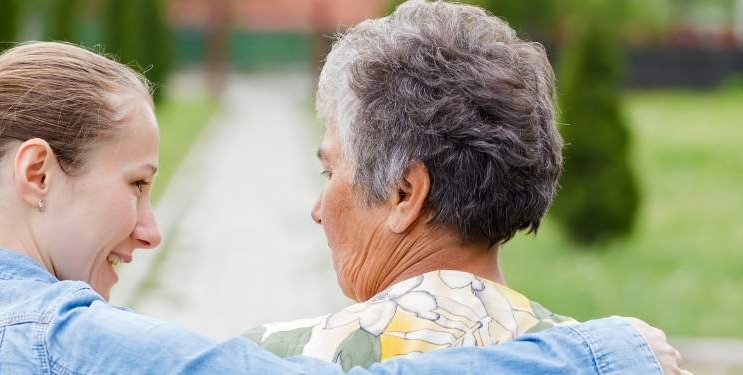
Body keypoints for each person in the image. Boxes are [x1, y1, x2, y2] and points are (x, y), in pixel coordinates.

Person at [0, 41, 680, 374]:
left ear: (407, 192)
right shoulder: (53, 342)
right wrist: (605, 350)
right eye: (136, 184)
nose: (151, 226)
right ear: (36, 172)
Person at [243, 1, 602, 369]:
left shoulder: (278, 358)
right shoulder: (605, 357)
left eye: (330, 173)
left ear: (405, 194)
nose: (317, 211)